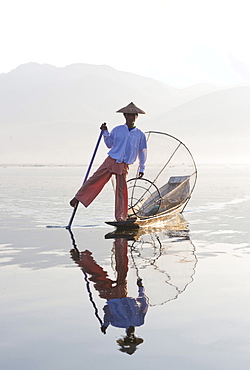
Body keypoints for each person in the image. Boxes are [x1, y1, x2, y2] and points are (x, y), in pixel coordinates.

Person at [70, 102, 147, 221]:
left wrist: (142, 167)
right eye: (128, 115)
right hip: (111, 160)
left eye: (133, 116)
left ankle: (121, 217)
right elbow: (109, 144)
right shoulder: (118, 130)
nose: (130, 118)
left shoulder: (140, 135)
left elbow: (142, 151)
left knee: (121, 191)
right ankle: (78, 198)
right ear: (125, 116)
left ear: (136, 117)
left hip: (124, 164)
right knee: (95, 179)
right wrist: (105, 132)